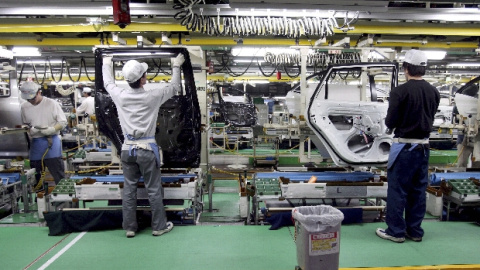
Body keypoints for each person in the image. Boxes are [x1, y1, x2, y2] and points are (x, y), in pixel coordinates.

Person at [102, 53, 184, 238]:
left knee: (129, 190)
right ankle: (158, 227)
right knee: (153, 189)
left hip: (127, 150)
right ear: (142, 80)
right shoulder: (152, 96)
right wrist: (176, 65)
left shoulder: (120, 96)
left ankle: (130, 228)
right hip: (146, 150)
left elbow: (108, 84)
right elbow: (174, 87)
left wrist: (106, 62)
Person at [376, 49, 440, 243]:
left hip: (404, 148)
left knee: (398, 190)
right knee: (418, 191)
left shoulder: (399, 92)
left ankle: (395, 231)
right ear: (424, 69)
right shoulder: (434, 91)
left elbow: (390, 122)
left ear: (405, 68)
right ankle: (415, 231)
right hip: (423, 148)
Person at [19, 81, 67, 188]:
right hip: (36, 144)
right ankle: (40, 199)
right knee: (36, 177)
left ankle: (63, 198)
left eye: (33, 98)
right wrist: (30, 130)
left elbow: (63, 122)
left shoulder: (51, 104)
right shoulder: (24, 107)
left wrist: (52, 129)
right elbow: (25, 124)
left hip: (52, 142)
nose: (31, 101)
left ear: (39, 92)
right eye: (28, 99)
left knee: (58, 175)